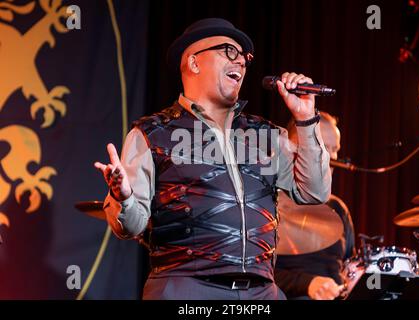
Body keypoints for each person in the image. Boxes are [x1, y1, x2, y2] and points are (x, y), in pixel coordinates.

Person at [94, 18, 331, 300]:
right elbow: (130, 227)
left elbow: (314, 192)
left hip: (262, 293)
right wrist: (123, 197)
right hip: (187, 290)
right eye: (229, 52)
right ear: (194, 63)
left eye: (245, 57)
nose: (241, 61)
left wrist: (305, 118)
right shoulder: (151, 133)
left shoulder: (266, 134)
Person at [275, 112, 356, 300]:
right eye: (324, 147)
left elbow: (349, 266)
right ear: (292, 148)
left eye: (335, 149)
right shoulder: (267, 203)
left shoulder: (337, 207)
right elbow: (251, 275)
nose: (334, 157)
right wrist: (307, 283)